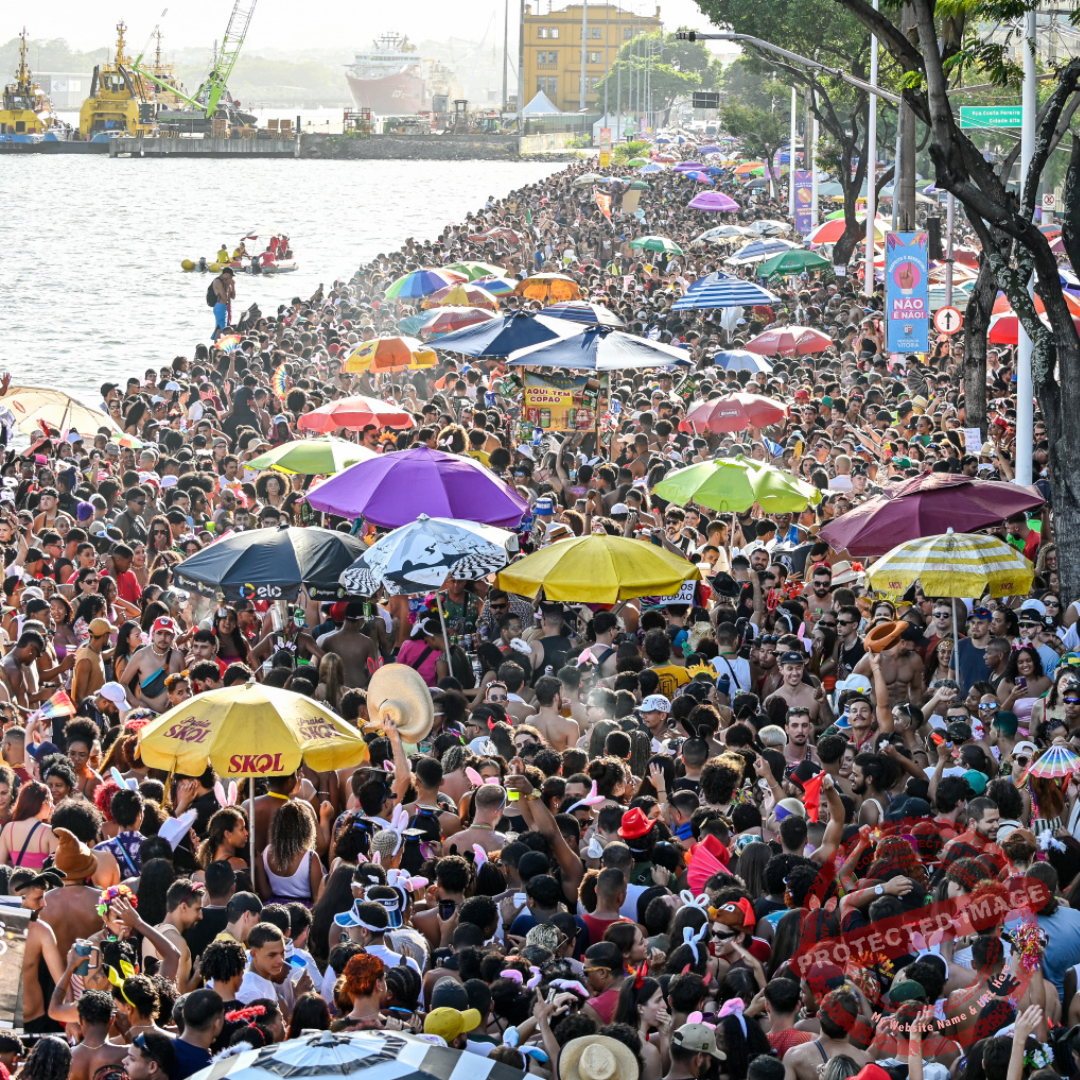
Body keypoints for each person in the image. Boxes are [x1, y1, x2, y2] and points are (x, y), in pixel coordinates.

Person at [211, 268, 235, 342]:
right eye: (230, 276)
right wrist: (228, 285)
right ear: (226, 274)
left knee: (223, 327)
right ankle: (216, 345)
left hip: (224, 307)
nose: (231, 278)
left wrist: (233, 286)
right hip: (220, 306)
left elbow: (233, 297)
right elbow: (224, 298)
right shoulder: (218, 282)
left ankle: (217, 344)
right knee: (220, 328)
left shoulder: (225, 283)